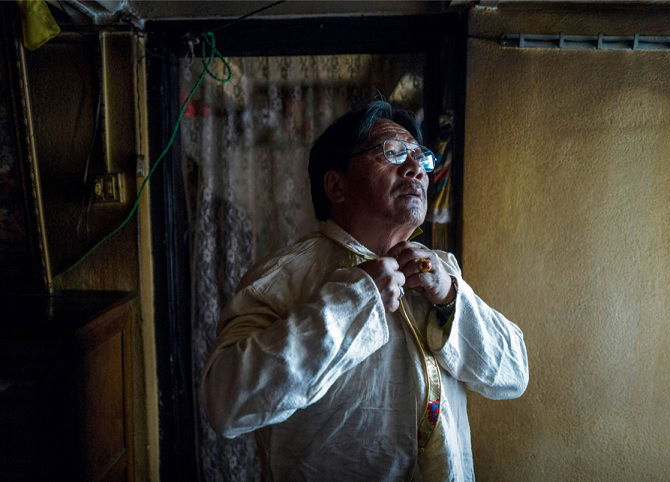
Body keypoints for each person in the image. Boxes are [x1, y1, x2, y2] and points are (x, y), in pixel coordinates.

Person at [201, 101, 529, 481]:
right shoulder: (280, 279)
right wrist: (356, 300)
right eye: (392, 153)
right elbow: (226, 404)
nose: (416, 171)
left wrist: (451, 296)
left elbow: (513, 374)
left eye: (420, 158)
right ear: (336, 186)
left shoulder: (440, 271)